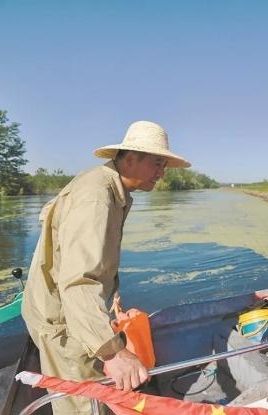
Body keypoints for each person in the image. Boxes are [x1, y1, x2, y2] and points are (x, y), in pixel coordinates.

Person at [21, 120, 191, 415]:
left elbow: (88, 259)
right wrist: (111, 351)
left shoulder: (105, 186)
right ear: (130, 158)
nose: (162, 174)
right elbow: (79, 281)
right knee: (83, 403)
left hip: (67, 313)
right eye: (157, 164)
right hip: (63, 321)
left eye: (164, 166)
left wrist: (111, 296)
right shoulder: (96, 197)